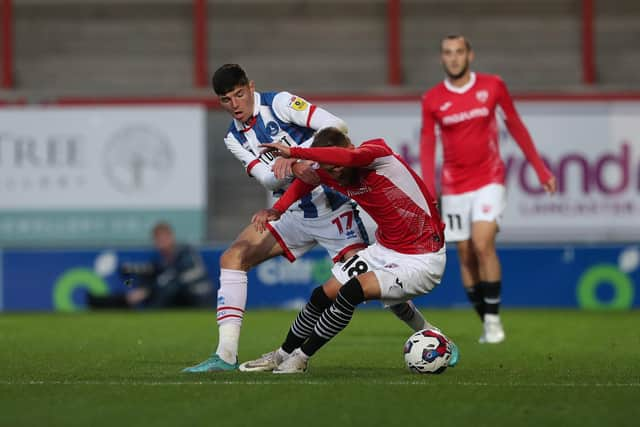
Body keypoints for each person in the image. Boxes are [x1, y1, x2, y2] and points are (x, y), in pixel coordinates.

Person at [183, 64, 431, 372]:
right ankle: (226, 355)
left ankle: (427, 332)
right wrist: (289, 165)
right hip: (292, 211)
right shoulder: (233, 138)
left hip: (334, 208)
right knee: (233, 257)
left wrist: (298, 156)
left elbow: (337, 126)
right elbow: (268, 179)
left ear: (250, 87)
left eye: (239, 94)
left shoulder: (280, 103)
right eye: (226, 100)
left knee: (368, 282)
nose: (235, 105)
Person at [243, 127, 458, 374]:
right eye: (328, 169)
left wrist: (293, 152)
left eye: (336, 165)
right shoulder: (328, 170)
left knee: (352, 291)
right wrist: (278, 209)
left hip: (423, 257)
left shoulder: (376, 155)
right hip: (385, 249)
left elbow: (349, 159)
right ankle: (281, 356)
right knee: (321, 296)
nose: (337, 173)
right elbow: (307, 180)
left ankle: (301, 358)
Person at [420, 35, 557, 344]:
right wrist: (430, 191)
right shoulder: (432, 99)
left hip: (489, 179)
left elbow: (516, 125)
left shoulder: (493, 86)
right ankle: (487, 318)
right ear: (442, 58)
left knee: (483, 244)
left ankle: (493, 322)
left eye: (459, 52)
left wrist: (540, 169)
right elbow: (427, 145)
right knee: (466, 254)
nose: (453, 58)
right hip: (454, 186)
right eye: (447, 53)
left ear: (470, 55)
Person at [87, 221, 214, 309]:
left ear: (171, 237)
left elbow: (181, 278)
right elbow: (155, 273)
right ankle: (100, 301)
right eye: (158, 240)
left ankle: (149, 309)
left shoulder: (186, 251)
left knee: (165, 288)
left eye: (163, 239)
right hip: (176, 295)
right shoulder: (161, 260)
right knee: (144, 288)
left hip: (196, 297)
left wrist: (149, 290)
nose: (161, 243)